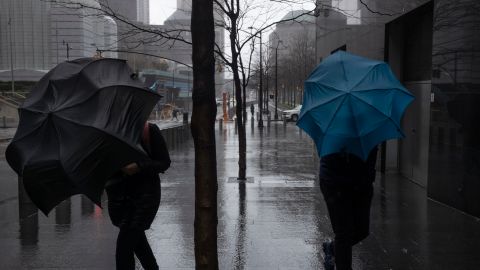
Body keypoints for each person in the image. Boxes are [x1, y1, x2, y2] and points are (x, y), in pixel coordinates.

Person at [106, 122, 171, 270]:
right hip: (120, 200)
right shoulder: (108, 133)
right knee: (140, 246)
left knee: (123, 250)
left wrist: (139, 166)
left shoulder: (148, 130)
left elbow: (164, 162)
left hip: (144, 199)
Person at [320, 147, 378, 270]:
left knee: (362, 230)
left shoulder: (367, 131)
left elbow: (371, 156)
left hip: (361, 185)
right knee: (343, 233)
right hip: (335, 184)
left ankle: (332, 248)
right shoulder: (335, 131)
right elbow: (328, 156)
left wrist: (368, 178)